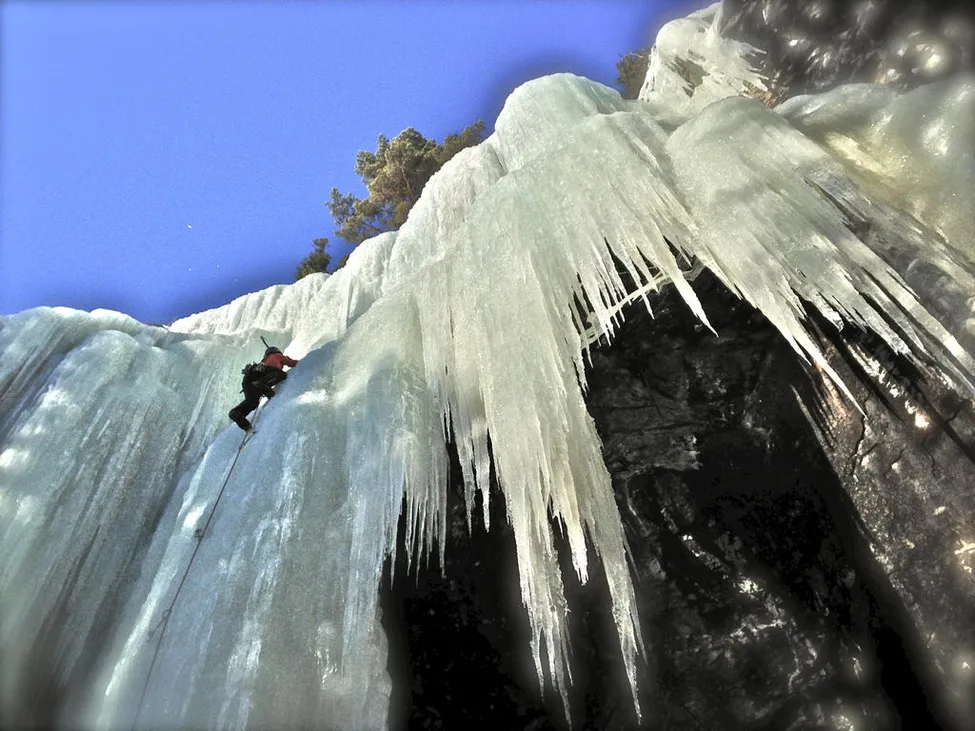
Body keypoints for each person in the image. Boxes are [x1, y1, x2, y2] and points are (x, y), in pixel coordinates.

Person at [228, 346, 300, 432]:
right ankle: (264, 389)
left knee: (252, 403)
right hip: (263, 376)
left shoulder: (262, 361)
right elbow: (291, 362)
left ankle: (243, 422)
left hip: (248, 384)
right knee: (282, 374)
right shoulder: (276, 355)